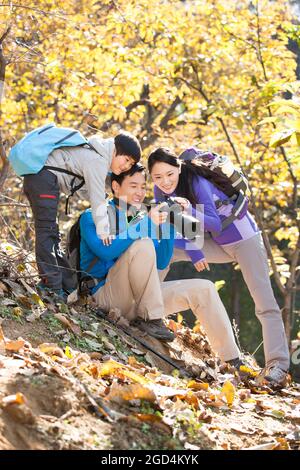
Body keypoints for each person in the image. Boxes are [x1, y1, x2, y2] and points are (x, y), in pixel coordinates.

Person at [148, 147, 290, 388]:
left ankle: (277, 365)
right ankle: (148, 307)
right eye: (158, 177)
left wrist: (186, 209)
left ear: (179, 168)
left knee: (264, 302)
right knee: (166, 247)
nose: (165, 182)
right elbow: (175, 226)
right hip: (214, 242)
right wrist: (194, 251)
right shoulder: (160, 191)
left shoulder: (197, 182)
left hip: (243, 239)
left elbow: (213, 223)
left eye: (170, 174)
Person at [80, 163, 242, 365]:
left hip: (140, 302)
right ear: (115, 186)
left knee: (204, 288)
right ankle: (151, 318)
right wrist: (146, 224)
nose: (140, 193)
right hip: (106, 297)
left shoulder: (140, 218)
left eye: (143, 187)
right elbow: (105, 251)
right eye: (133, 186)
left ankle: (233, 360)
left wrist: (168, 223)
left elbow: (162, 261)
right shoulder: (93, 216)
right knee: (143, 243)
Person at [23, 131, 141, 300]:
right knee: (46, 231)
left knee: (51, 233)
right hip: (42, 178)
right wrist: (103, 231)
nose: (126, 166)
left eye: (131, 164)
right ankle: (51, 287)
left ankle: (63, 286)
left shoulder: (97, 155)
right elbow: (97, 199)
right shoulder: (98, 160)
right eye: (126, 159)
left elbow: (89, 189)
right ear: (116, 149)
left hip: (42, 179)